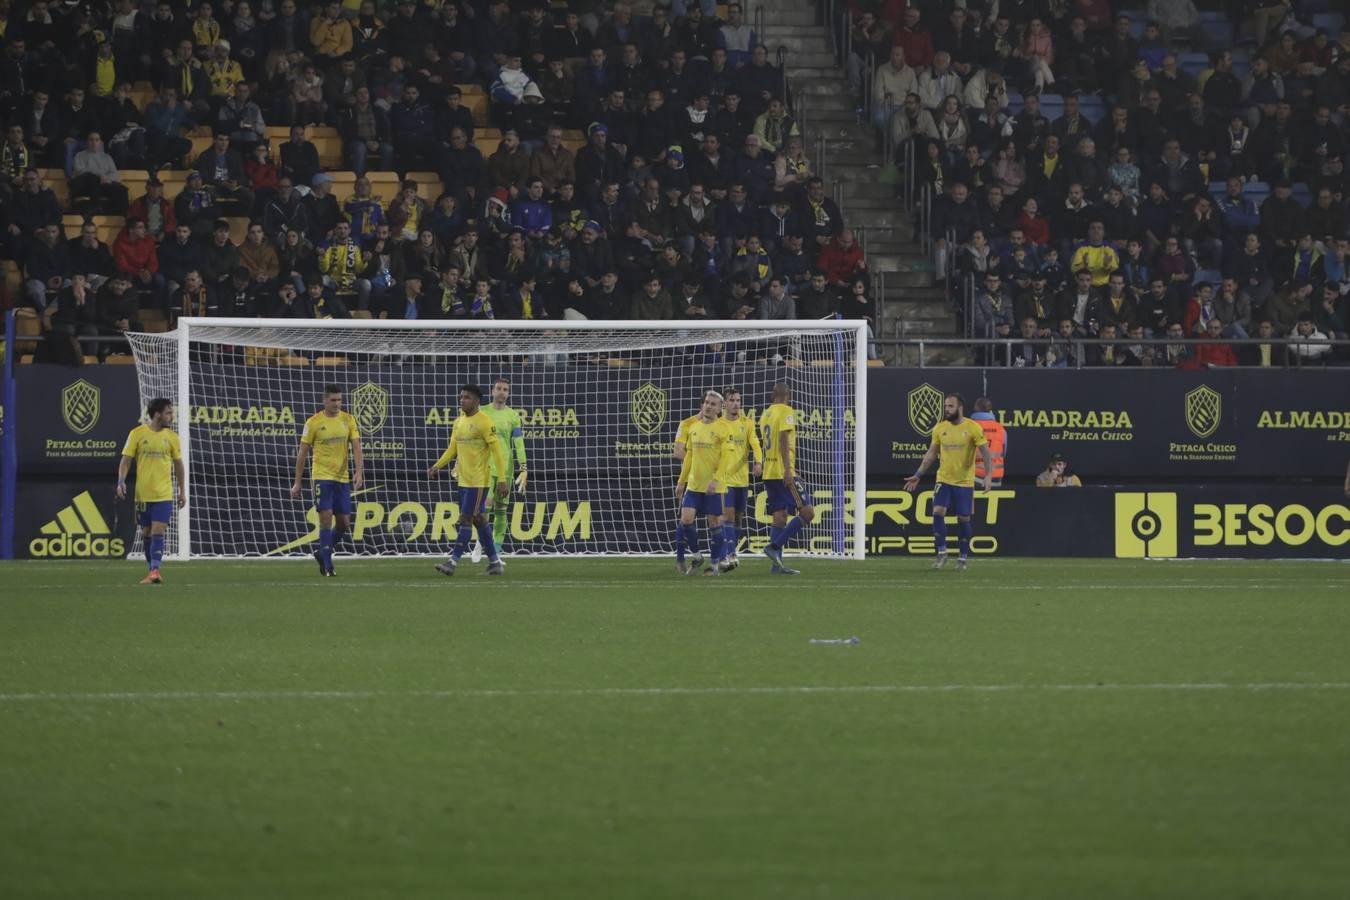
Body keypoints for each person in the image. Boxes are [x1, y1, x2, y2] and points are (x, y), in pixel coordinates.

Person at [903, 392, 993, 571]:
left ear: (960, 408)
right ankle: (942, 553)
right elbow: (930, 454)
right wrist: (918, 474)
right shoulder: (939, 428)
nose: (947, 409)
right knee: (937, 512)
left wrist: (988, 475)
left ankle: (962, 557)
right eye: (945, 406)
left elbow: (986, 453)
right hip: (943, 480)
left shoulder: (973, 428)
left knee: (963, 519)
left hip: (964, 482)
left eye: (950, 406)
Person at [428, 384, 508, 577]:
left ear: (477, 401)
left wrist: (503, 479)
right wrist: (437, 466)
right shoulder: (459, 422)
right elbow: (452, 449)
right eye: (461, 396)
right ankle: (495, 563)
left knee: (466, 518)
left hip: (478, 482)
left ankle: (452, 562)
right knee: (479, 520)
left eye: (467, 397)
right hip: (463, 480)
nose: (462, 400)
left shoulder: (484, 422)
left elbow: (497, 451)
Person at [290, 385, 365, 578]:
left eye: (339, 400)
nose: (337, 404)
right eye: (333, 400)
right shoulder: (313, 422)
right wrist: (298, 482)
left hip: (342, 478)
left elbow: (356, 446)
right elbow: (302, 452)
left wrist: (358, 472)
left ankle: (322, 553)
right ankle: (328, 565)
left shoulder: (348, 419)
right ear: (324, 400)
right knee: (325, 517)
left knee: (344, 523)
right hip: (321, 477)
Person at [115, 398, 185, 585]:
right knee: (146, 533)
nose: (172, 416)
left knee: (158, 531)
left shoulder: (172, 437)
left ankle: (155, 570)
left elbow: (179, 465)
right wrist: (121, 481)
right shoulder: (137, 433)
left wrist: (182, 490)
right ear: (157, 414)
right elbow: (126, 460)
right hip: (143, 495)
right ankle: (151, 569)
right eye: (169, 412)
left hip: (164, 494)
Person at [674, 389, 736, 576]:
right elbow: (689, 457)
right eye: (706, 403)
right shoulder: (693, 427)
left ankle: (715, 564)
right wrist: (681, 481)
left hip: (712, 487)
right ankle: (697, 555)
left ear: (719, 408)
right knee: (685, 521)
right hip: (694, 485)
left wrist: (716, 480)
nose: (708, 406)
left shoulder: (724, 429)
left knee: (715, 523)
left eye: (713, 404)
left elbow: (727, 458)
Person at [760, 381, 816, 575]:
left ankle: (777, 566)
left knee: (779, 517)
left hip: (768, 472)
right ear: (788, 395)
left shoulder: (765, 414)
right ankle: (774, 547)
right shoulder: (786, 411)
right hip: (782, 471)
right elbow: (784, 438)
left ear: (772, 395)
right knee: (808, 512)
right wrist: (787, 469)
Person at [475, 378, 529, 563]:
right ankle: (481, 542)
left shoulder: (513, 416)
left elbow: (518, 443)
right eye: (498, 388)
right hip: (486, 467)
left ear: (508, 393)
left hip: (506, 468)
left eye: (505, 389)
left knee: (501, 511)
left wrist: (523, 468)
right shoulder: (482, 412)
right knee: (485, 507)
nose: (502, 392)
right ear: (492, 391)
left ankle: (496, 553)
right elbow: (470, 438)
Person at [719, 387, 762, 572]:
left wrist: (759, 462)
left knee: (738, 518)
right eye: (732, 400)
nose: (736, 403)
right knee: (727, 516)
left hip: (742, 479)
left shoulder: (748, 423)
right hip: (724, 479)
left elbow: (756, 444)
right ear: (725, 404)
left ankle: (731, 551)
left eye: (738, 400)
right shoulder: (718, 424)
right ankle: (730, 554)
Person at [969, 397, 1006, 487]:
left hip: (974, 476)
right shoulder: (1001, 429)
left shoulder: (969, 427)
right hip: (996, 476)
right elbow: (1004, 454)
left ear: (976, 408)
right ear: (990, 410)